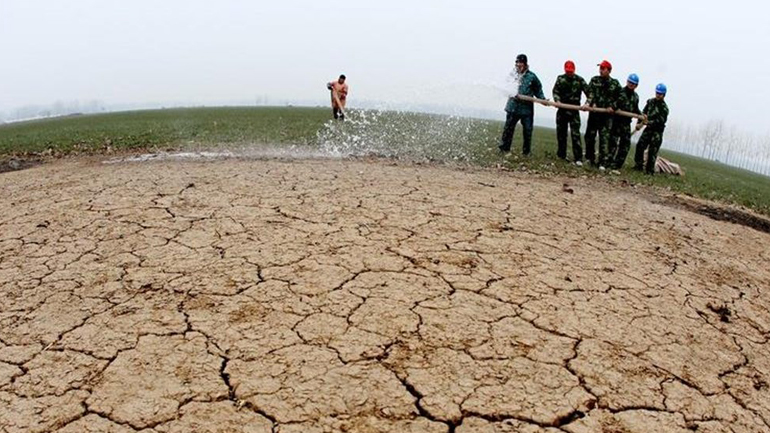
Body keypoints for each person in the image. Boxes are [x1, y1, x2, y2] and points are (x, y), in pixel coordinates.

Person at [499, 54, 547, 156]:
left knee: (527, 131)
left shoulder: (532, 77)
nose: (519, 65)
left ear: (525, 64)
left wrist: (542, 99)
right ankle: (504, 149)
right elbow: (506, 86)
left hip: (526, 109)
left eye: (521, 63)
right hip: (513, 107)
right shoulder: (512, 75)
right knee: (508, 129)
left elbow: (538, 89)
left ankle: (526, 152)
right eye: (517, 63)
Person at [582, 60, 621, 170]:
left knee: (604, 139)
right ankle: (590, 159)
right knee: (589, 137)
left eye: (603, 69)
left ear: (609, 71)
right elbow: (590, 93)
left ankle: (602, 162)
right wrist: (589, 103)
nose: (601, 70)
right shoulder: (595, 80)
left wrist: (613, 107)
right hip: (594, 115)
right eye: (600, 68)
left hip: (606, 117)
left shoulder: (615, 83)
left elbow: (621, 98)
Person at [552, 60, 588, 164]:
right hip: (562, 110)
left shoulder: (580, 80)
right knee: (561, 134)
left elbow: (589, 93)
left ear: (574, 70)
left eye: (571, 71)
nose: (569, 73)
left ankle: (578, 158)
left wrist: (587, 103)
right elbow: (555, 91)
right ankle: (561, 156)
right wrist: (557, 100)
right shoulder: (560, 79)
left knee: (575, 135)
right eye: (568, 71)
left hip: (574, 111)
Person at [634, 83, 670, 174]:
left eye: (660, 94)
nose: (658, 95)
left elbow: (660, 121)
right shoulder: (650, 102)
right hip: (648, 129)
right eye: (657, 93)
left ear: (664, 95)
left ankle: (649, 171)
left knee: (652, 151)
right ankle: (638, 165)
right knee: (640, 145)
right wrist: (639, 123)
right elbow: (643, 114)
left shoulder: (664, 108)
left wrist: (649, 122)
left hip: (657, 132)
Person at [609, 73, 642, 169]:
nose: (631, 84)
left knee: (625, 145)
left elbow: (635, 109)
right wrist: (613, 107)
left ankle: (617, 164)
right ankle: (608, 162)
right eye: (630, 82)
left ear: (636, 85)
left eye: (633, 83)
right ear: (627, 82)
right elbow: (613, 103)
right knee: (612, 144)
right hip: (616, 122)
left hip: (626, 124)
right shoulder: (620, 92)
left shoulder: (635, 97)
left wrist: (641, 116)